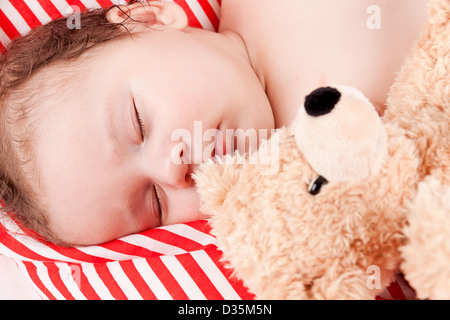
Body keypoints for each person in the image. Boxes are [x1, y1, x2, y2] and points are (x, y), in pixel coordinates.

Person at [0, 0, 427, 246]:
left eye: (140, 125)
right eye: (155, 203)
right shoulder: (300, 181)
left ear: (150, 20)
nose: (172, 170)